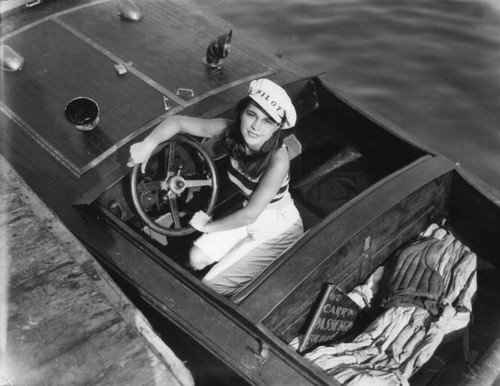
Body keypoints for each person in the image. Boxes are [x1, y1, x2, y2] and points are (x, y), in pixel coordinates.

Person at [128, 79, 304, 298]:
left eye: (267, 121)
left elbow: (249, 216)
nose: (255, 126)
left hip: (277, 229)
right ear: (242, 112)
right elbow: (178, 122)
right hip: (247, 216)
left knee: (213, 287)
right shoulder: (229, 130)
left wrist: (208, 227)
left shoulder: (278, 160)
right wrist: (148, 144)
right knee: (195, 258)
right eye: (252, 115)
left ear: (278, 127)